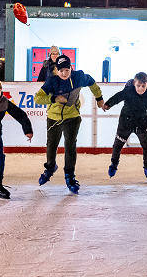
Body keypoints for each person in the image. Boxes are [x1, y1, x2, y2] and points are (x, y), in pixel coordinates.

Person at [34, 54, 105, 193]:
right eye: (61, 71)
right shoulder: (52, 81)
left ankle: (70, 176)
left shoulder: (78, 77)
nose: (64, 73)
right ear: (56, 70)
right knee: (51, 146)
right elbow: (38, 98)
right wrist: (53, 99)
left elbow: (92, 82)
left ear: (71, 68)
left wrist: (99, 98)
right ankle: (50, 167)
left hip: (72, 117)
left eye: (67, 70)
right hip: (54, 118)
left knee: (70, 145)